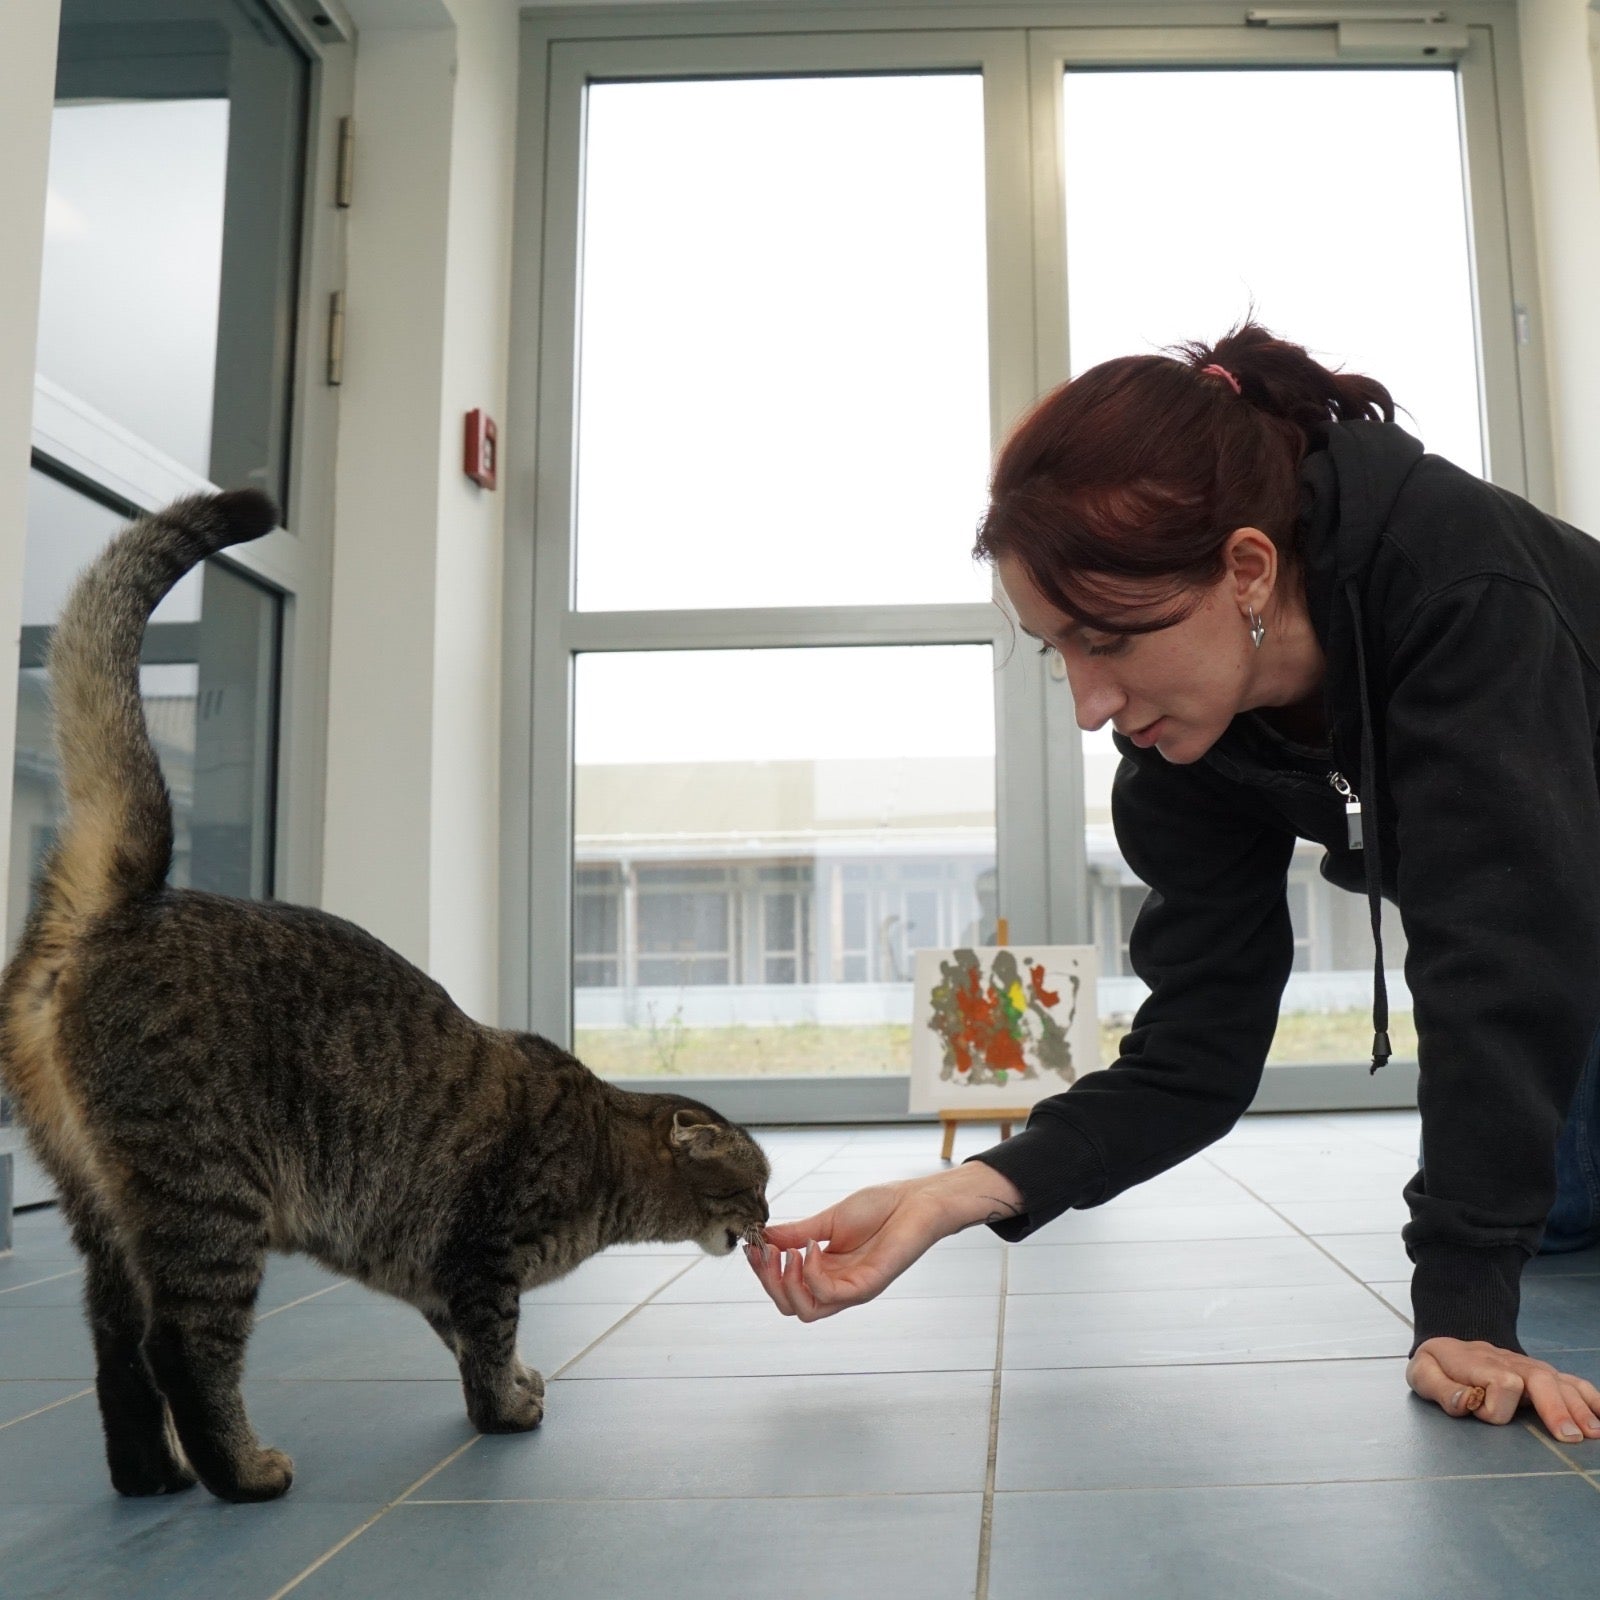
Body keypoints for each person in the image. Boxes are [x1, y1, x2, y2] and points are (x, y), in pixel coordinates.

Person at [745, 321, 1600, 1444]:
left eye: (1110, 638)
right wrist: (968, 1190)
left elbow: (1499, 959)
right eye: (1058, 650)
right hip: (1554, 911)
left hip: (1561, 895)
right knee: (1556, 1211)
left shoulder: (1457, 588)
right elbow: (1198, 1044)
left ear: (1244, 567)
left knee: (1509, 1185)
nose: (1089, 702)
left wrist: (1461, 1308)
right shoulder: (1180, 744)